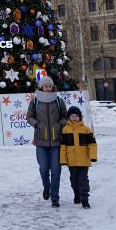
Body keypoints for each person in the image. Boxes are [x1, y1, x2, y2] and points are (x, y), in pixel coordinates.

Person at [26, 75, 68, 207]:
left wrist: (60, 124)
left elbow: (65, 116)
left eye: (50, 86)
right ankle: (46, 186)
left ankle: (55, 197)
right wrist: (37, 124)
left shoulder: (59, 101)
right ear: (41, 87)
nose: (48, 88)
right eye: (46, 86)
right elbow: (29, 116)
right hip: (41, 141)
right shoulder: (35, 101)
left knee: (56, 169)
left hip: (56, 141)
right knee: (44, 168)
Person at [61, 106, 98, 209]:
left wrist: (93, 156)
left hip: (84, 161)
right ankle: (77, 194)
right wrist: (63, 160)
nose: (74, 118)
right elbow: (63, 146)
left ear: (80, 117)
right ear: (69, 117)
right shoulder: (65, 129)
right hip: (71, 162)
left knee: (83, 180)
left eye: (76, 116)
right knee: (74, 180)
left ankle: (85, 199)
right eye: (72, 116)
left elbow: (92, 144)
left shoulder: (86, 129)